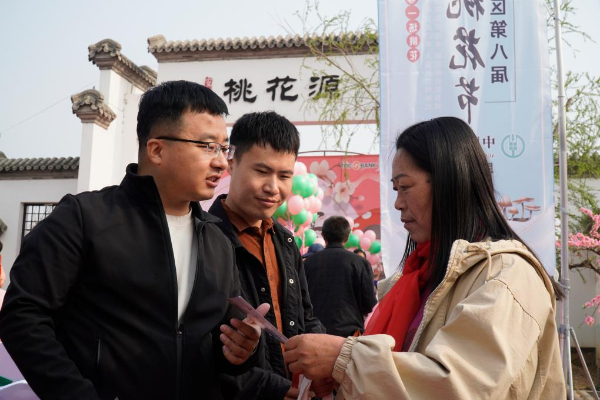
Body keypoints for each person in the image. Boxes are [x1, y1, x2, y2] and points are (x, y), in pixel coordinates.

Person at [0, 81, 266, 400]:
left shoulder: (218, 242)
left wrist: (241, 351)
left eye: (224, 148)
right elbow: (23, 316)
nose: (221, 162)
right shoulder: (84, 219)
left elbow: (218, 342)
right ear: (156, 150)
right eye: (208, 146)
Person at [283, 116, 566, 399]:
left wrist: (346, 360)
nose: (398, 203)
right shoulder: (417, 275)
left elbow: (460, 385)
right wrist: (344, 377)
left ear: (448, 182)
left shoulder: (506, 274)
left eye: (405, 187)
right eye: (396, 189)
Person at [208, 111, 326, 400]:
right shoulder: (205, 239)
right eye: (261, 172)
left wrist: (325, 358)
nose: (273, 188)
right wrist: (272, 389)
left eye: (284, 176)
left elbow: (304, 316)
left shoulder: (285, 241)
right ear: (231, 162)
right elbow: (196, 345)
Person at [303, 216, 377, 338]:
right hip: (349, 335)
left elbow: (301, 300)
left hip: (315, 334)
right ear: (347, 237)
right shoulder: (361, 263)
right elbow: (369, 303)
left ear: (323, 236)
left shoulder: (308, 263)